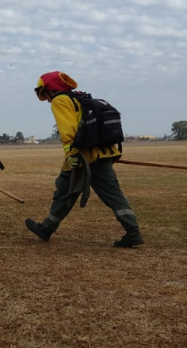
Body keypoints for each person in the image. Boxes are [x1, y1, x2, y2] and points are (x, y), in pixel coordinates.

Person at [24, 71, 144, 247]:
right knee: (113, 194)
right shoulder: (79, 98)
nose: (47, 99)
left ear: (50, 89)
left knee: (64, 190)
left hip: (82, 156)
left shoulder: (60, 100)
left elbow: (68, 130)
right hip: (104, 154)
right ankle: (133, 232)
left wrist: (72, 155)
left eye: (45, 93)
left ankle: (46, 228)